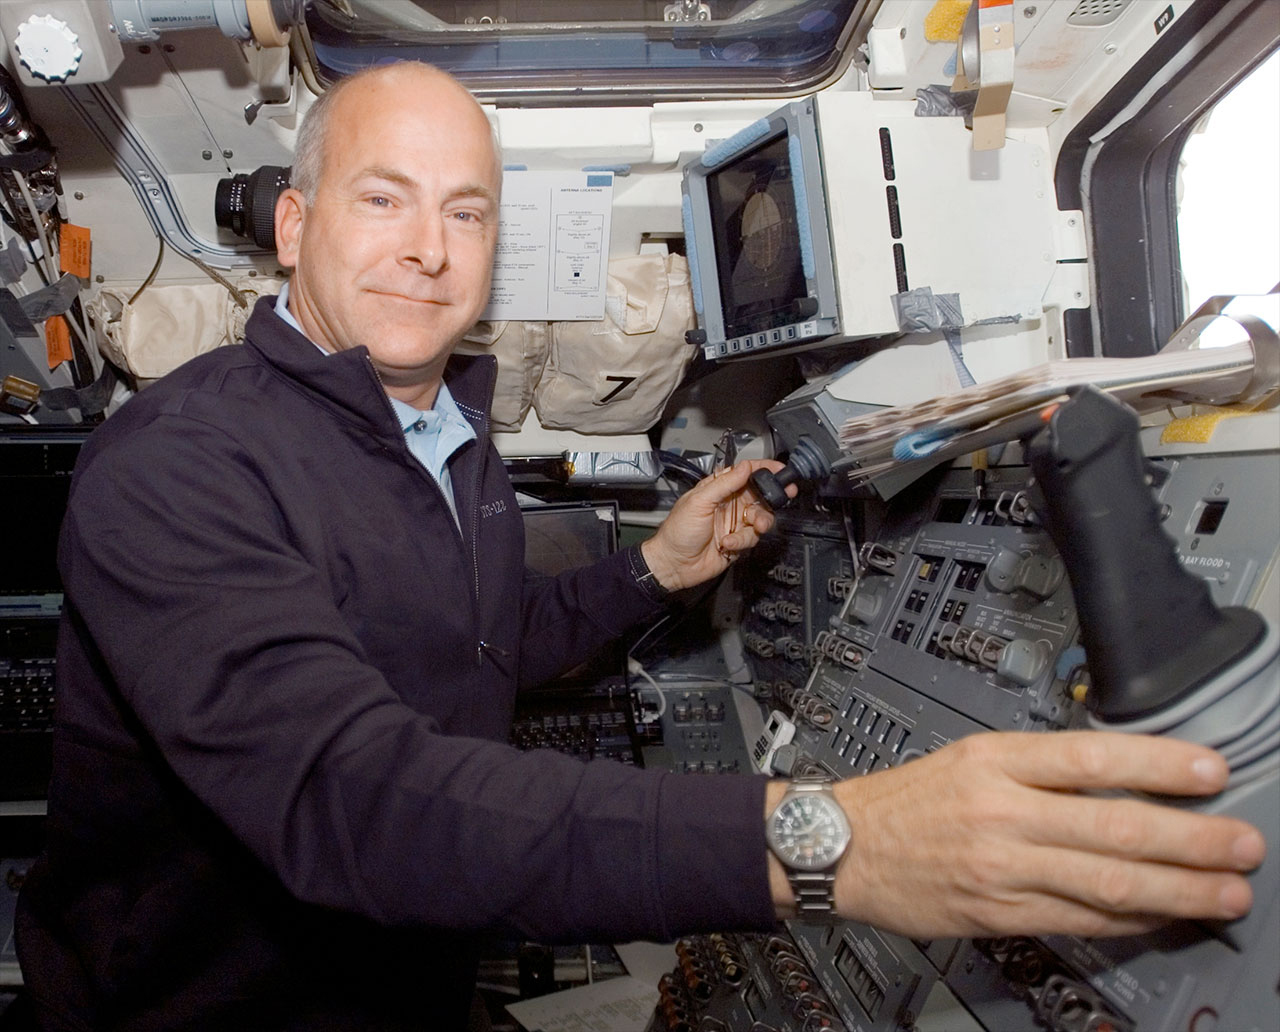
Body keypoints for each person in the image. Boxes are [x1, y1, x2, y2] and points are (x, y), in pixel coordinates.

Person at [16, 62, 1263, 1031]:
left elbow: (471, 647)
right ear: (294, 226)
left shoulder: (441, 431)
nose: (428, 248)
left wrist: (654, 571)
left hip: (405, 970)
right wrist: (837, 842)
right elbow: (353, 796)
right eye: (380, 198)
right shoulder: (181, 461)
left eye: (466, 212)